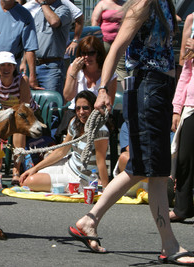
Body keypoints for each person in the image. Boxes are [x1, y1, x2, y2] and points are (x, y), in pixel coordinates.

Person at [69, 0, 194, 264]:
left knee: (139, 167)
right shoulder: (143, 5)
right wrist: (102, 89)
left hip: (159, 89)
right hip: (147, 89)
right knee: (157, 172)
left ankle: (88, 221)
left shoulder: (165, 5)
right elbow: (115, 48)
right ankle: (169, 245)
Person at [20, 91, 109, 191]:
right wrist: (34, 168)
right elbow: (61, 151)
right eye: (78, 108)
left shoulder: (100, 130)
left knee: (30, 182)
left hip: (81, 178)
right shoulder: (74, 122)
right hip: (68, 165)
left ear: (93, 108)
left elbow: (101, 161)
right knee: (26, 179)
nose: (81, 112)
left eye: (85, 108)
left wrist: (106, 190)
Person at [0, 51, 38, 185]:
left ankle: (16, 170)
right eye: (2, 65)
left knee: (18, 130)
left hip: (26, 114)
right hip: (7, 113)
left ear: (14, 67)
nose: (6, 68)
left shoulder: (22, 80)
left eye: (9, 65)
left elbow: (25, 107)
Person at [56, 35, 116, 143]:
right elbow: (68, 96)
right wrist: (73, 74)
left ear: (99, 54)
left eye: (91, 53)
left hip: (97, 113)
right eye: (83, 53)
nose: (86, 57)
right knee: (71, 123)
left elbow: (109, 104)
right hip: (76, 111)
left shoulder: (108, 73)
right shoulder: (75, 69)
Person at [169, 35, 194, 223]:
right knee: (184, 158)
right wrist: (177, 109)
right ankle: (182, 207)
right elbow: (185, 76)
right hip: (191, 107)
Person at [22, 0, 72, 95]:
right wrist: (24, 62)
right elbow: (30, 42)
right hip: (33, 67)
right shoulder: (39, 13)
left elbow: (54, 21)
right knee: (32, 104)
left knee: (51, 104)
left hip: (51, 67)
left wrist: (43, 3)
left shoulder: (63, 9)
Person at [91, 0, 128, 86]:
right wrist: (95, 42)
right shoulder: (102, 4)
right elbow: (95, 22)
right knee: (101, 66)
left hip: (120, 42)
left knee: (121, 68)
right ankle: (99, 89)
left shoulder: (126, 4)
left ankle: (127, 94)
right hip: (104, 42)